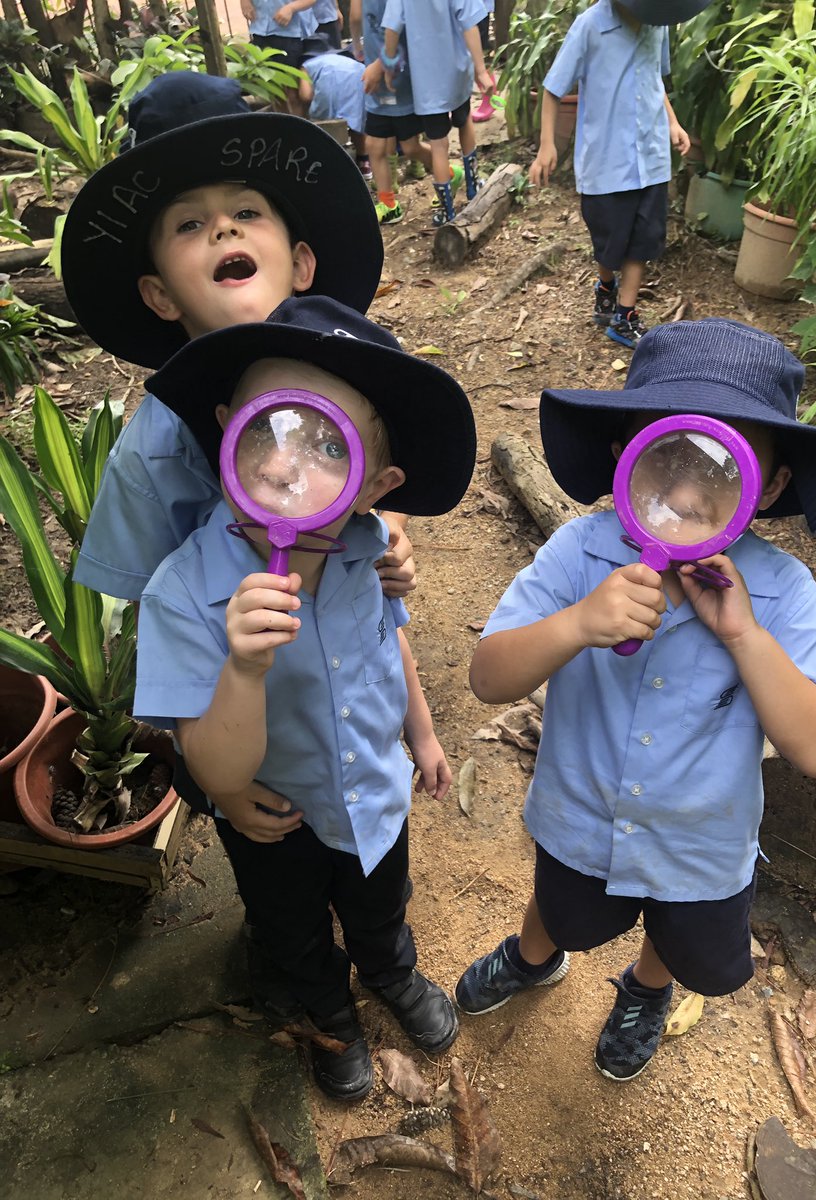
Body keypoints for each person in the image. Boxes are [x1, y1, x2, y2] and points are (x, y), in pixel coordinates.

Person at [455, 318, 816, 1084]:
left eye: (720, 466)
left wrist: (745, 635)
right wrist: (578, 623)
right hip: (579, 820)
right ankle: (533, 956)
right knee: (563, 907)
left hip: (700, 852)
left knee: (683, 940)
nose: (683, 491)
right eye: (666, 455)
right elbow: (488, 677)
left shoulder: (781, 591)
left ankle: (646, 987)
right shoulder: (580, 552)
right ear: (625, 454)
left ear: (771, 483)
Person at [133, 295, 478, 1100]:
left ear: (375, 485)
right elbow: (210, 764)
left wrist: (422, 738)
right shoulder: (184, 592)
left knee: (381, 904)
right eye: (267, 430)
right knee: (290, 931)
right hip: (273, 817)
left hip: (373, 797)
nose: (288, 464)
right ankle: (331, 1014)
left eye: (330, 446)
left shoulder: (369, 552)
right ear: (225, 432)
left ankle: (391, 972)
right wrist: (243, 670)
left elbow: (391, 646)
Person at [61, 72, 415, 833]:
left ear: (302, 263)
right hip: (240, 704)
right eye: (189, 225)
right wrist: (216, 784)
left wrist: (389, 543)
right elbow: (156, 624)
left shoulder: (353, 377)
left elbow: (370, 488)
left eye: (246, 212)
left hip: (335, 679)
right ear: (160, 295)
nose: (223, 231)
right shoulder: (150, 454)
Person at [527, 0, 711, 349]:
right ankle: (606, 286)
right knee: (609, 239)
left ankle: (625, 315)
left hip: (651, 154)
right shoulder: (591, 25)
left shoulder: (660, 20)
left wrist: (673, 123)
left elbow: (655, 75)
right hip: (606, 159)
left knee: (644, 236)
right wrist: (547, 145)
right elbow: (553, 89)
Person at [371, 0, 494, 226]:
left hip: (426, 81)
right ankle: (473, 186)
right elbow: (470, 24)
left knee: (438, 145)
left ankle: (447, 211)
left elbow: (391, 28)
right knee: (465, 121)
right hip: (457, 71)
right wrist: (481, 70)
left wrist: (389, 66)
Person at [353, 0, 433, 225]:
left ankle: (449, 172)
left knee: (410, 146)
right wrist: (358, 45)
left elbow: (406, 31)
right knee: (374, 145)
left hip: (398, 80)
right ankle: (388, 204)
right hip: (376, 85)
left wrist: (379, 66)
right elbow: (357, 16)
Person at [241, 0, 319, 116]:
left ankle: (299, 128)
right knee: (274, 91)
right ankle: (284, 129)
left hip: (289, 33)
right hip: (260, 28)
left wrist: (291, 8)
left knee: (292, 91)